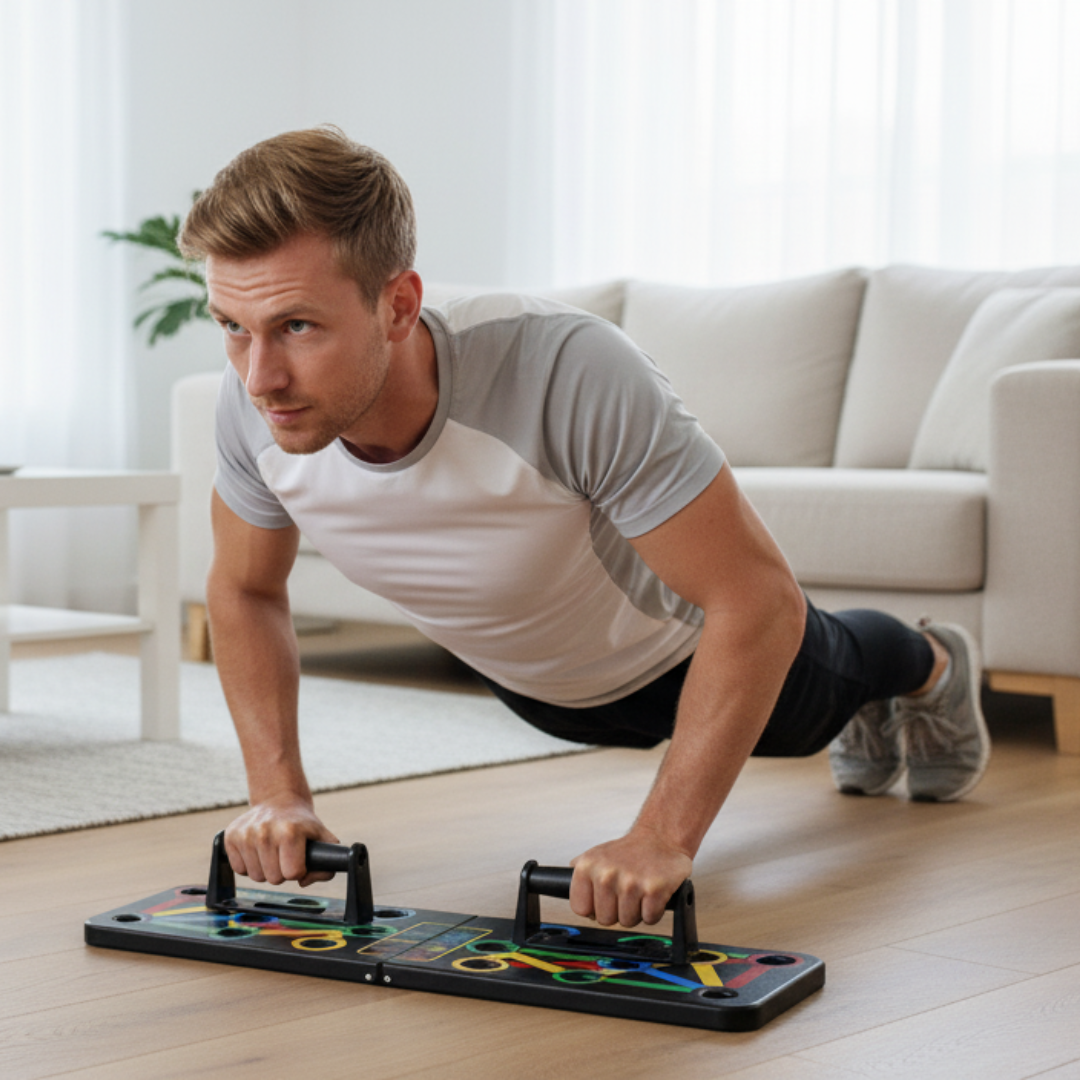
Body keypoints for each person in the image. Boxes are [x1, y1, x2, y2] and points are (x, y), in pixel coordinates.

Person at [179, 127, 991, 931]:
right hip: (537, 690)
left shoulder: (563, 369)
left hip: (679, 655)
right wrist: (277, 794)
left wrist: (662, 837)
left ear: (398, 306)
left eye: (297, 326)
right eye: (232, 326)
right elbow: (246, 587)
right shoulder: (253, 406)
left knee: (824, 689)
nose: (260, 377)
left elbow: (757, 601)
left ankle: (932, 662)